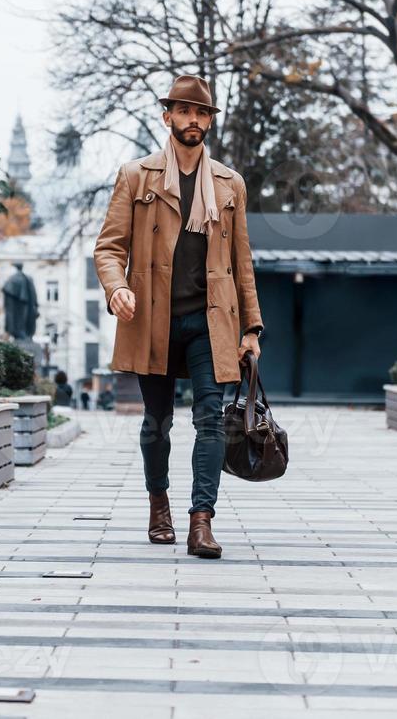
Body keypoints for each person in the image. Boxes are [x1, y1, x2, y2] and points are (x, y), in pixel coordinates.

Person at [93, 74, 265, 559]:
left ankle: (201, 520)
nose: (194, 120)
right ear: (167, 116)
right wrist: (117, 287)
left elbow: (242, 264)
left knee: (210, 419)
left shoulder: (230, 185)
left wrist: (251, 327)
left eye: (202, 112)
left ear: (209, 121)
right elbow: (108, 248)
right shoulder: (136, 176)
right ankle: (158, 506)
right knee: (156, 423)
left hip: (211, 322)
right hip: (153, 319)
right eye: (184, 111)